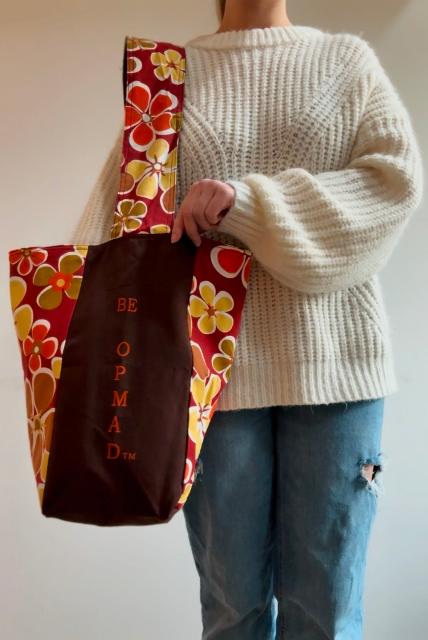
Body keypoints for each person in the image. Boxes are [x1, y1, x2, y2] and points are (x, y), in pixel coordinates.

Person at [69, 1, 424, 638]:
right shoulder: (167, 77)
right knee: (232, 613)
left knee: (329, 617)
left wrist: (249, 202)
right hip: (208, 382)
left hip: (336, 369)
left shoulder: (346, 62)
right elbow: (119, 236)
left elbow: (394, 184)